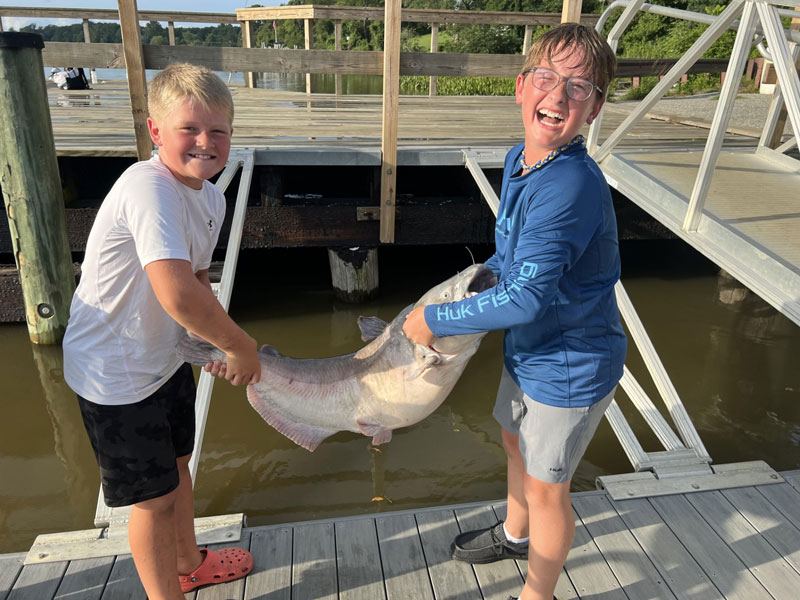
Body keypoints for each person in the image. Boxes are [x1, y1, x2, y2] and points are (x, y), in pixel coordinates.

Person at [402, 24, 626, 600]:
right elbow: (512, 256)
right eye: (547, 78)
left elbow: (526, 297)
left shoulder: (571, 183)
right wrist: (468, 288)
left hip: (571, 363)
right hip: (528, 348)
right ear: (522, 87)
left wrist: (437, 321)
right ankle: (514, 533)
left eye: (579, 87)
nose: (558, 96)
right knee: (511, 442)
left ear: (595, 107)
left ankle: (537, 593)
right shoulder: (522, 159)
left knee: (550, 485)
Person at [62, 62, 260, 600]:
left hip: (163, 358)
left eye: (218, 131)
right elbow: (174, 292)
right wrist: (240, 345)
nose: (205, 142)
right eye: (189, 129)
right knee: (151, 500)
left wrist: (209, 345)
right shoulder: (147, 187)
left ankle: (189, 561)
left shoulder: (211, 197)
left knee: (177, 469)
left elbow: (196, 284)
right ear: (154, 131)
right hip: (115, 373)